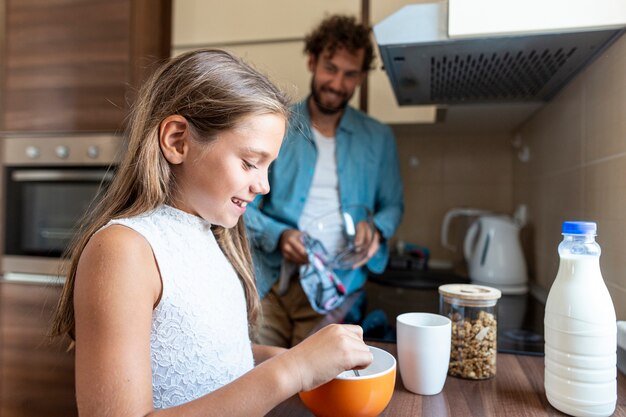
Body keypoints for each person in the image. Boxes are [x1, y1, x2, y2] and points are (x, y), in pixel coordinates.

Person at [50, 49, 372, 416]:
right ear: (177, 141)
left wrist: (297, 358)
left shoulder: (212, 235)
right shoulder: (123, 250)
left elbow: (212, 358)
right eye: (250, 162)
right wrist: (293, 370)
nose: (263, 186)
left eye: (267, 167)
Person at [245, 15, 404, 348]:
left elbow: (392, 205)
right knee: (254, 375)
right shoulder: (279, 125)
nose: (337, 83)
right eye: (330, 68)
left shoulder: (378, 138)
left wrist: (376, 230)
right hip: (271, 283)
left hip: (337, 291)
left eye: (350, 74)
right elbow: (243, 204)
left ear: (361, 77)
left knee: (314, 389)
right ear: (312, 62)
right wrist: (279, 235)